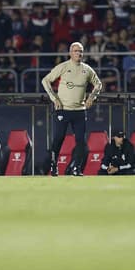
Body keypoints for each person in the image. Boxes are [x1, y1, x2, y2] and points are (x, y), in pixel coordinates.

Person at [42, 41, 103, 176]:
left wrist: (92, 97)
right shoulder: (63, 67)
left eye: (80, 51)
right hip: (63, 109)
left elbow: (98, 84)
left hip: (79, 111)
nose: (78, 53)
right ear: (70, 53)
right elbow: (45, 80)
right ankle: (53, 166)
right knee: (58, 139)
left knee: (80, 141)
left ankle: (76, 168)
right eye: (76, 51)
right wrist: (54, 98)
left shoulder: (87, 69)